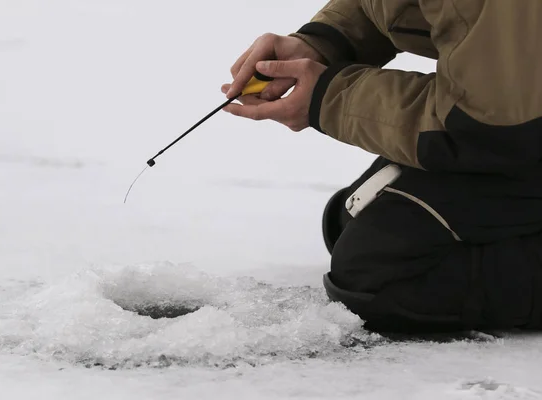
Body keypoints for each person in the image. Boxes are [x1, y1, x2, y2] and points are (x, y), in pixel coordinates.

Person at [221, 0, 542, 333]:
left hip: (506, 126)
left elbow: (486, 121)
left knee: (380, 275)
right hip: (516, 114)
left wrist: (329, 97)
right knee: (351, 217)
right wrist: (326, 41)